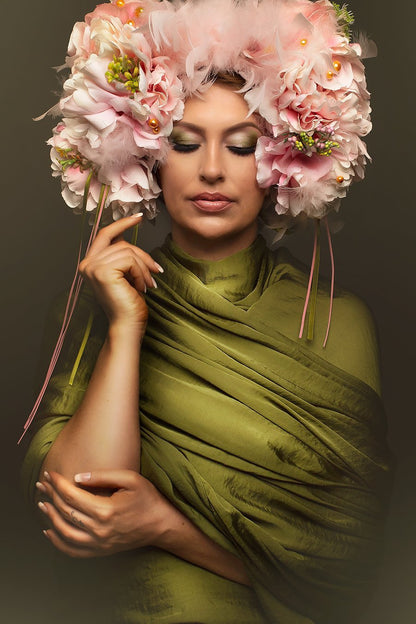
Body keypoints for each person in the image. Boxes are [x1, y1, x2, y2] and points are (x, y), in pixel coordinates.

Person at [21, 1, 393, 622]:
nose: (212, 170)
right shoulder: (96, 303)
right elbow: (82, 507)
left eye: (242, 146)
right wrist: (125, 325)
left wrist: (168, 528)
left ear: (280, 163)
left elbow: (344, 569)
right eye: (186, 143)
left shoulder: (334, 319)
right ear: (148, 156)